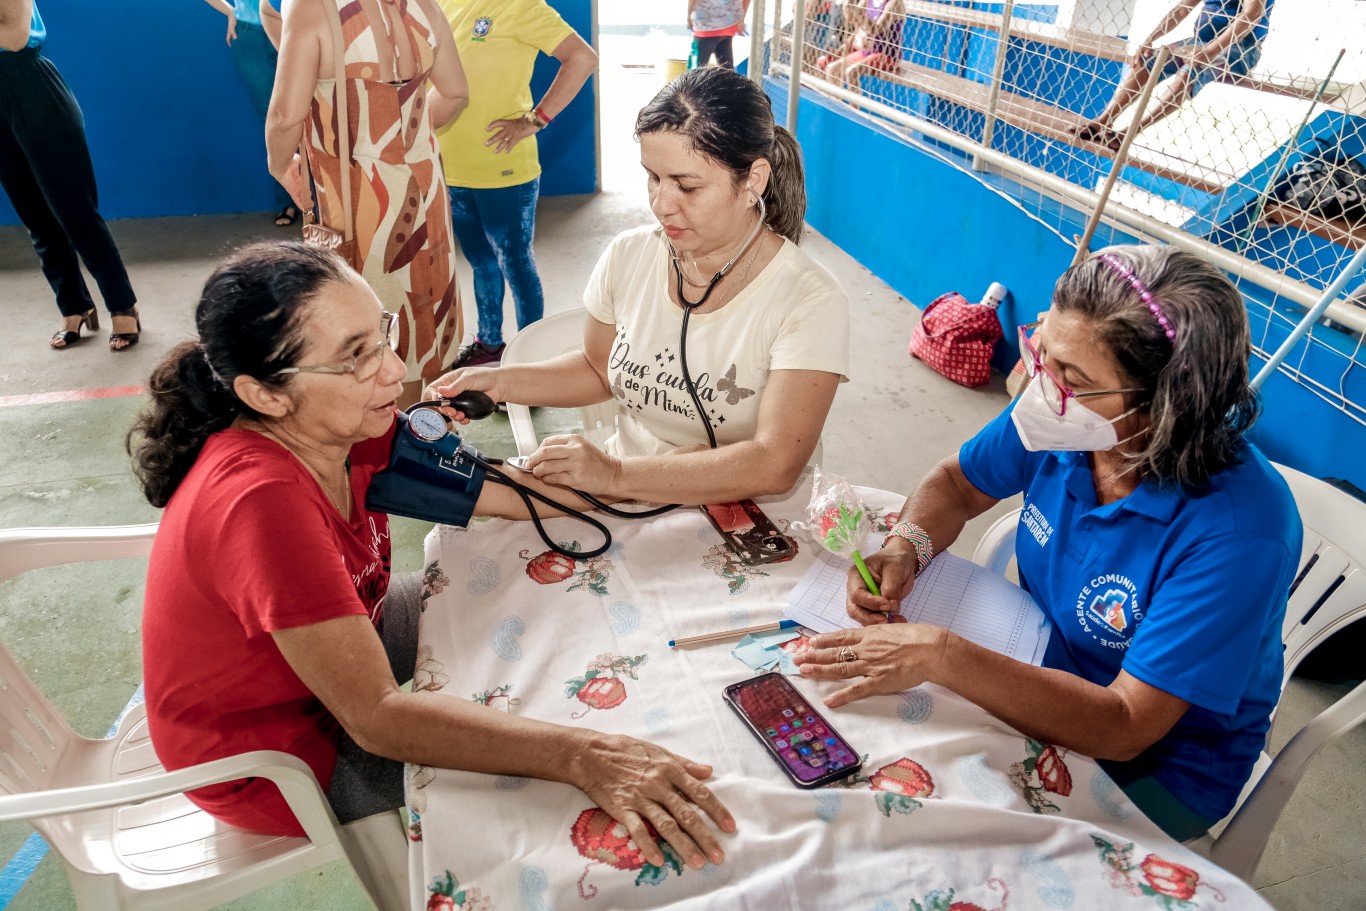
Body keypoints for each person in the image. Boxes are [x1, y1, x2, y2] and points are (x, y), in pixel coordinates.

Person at [130, 241, 735, 871]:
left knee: (525, 591)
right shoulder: (260, 503)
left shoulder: (350, 426)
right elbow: (378, 720)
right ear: (267, 395)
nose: (394, 371)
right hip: (275, 755)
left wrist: (671, 478)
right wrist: (580, 754)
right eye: (356, 358)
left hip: (337, 642)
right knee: (542, 753)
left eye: (381, 336)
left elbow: (516, 494)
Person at [795, 245, 1302, 841]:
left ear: (1165, 407)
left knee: (920, 822)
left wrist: (942, 655)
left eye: (1072, 378)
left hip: (1154, 768)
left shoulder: (1239, 533)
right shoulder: (1067, 417)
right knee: (856, 754)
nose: (1037, 386)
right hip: (1035, 650)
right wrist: (906, 544)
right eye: (1043, 353)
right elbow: (957, 483)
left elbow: (1125, 723)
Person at [430, 65, 850, 506]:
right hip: (622, 487)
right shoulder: (629, 255)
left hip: (746, 509)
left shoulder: (809, 299)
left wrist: (613, 474)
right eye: (653, 177)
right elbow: (598, 369)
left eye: (687, 186)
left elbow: (775, 463)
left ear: (753, 182)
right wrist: (500, 383)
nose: (661, 205)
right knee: (464, 499)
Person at [266, 0, 468, 406]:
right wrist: (401, 136)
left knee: (364, 323)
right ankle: (423, 436)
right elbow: (456, 94)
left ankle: (380, 448)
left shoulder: (312, 9)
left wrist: (280, 166)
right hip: (423, 188)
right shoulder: (424, 7)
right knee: (421, 318)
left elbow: (286, 117)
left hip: (356, 198)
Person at [436, 0, 597, 370]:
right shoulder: (438, 4)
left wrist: (536, 119)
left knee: (516, 264)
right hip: (450, 167)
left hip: (504, 169)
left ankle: (531, 364)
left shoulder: (522, 5)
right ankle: (489, 343)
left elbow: (582, 58)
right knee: (479, 262)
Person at [0, 0, 141, 352]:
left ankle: (123, 305)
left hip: (30, 86)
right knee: (35, 216)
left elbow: (14, 37)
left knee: (74, 210)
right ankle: (74, 307)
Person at [1076, 0, 1275, 150]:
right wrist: (1149, 40)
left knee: (1191, 70)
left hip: (1240, 49)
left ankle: (1128, 133)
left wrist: (1210, 52)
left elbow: (1251, 15)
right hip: (1200, 42)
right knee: (1148, 60)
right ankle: (1103, 121)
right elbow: (1182, 9)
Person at [200, 0, 298, 226]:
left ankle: (320, 198)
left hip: (296, 27)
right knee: (274, 120)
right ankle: (290, 199)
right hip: (250, 34)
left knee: (309, 114)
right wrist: (231, 12)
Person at [818, 0, 904, 93]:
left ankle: (854, 107)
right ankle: (836, 102)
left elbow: (877, 29)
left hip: (886, 54)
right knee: (833, 69)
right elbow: (851, 19)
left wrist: (860, 14)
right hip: (866, 51)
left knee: (851, 72)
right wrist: (848, 6)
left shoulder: (894, 3)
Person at [688, 0, 750, 70]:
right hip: (729, 23)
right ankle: (728, 79)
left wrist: (689, 15)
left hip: (705, 26)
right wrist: (741, 19)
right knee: (727, 70)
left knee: (695, 70)